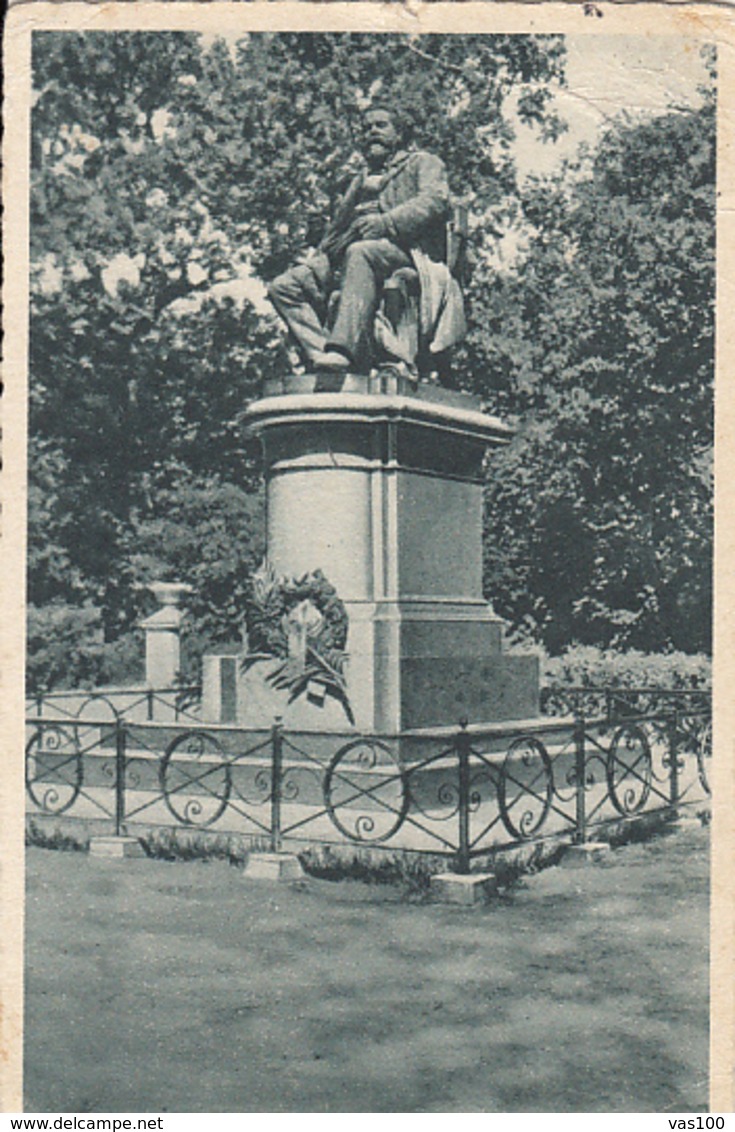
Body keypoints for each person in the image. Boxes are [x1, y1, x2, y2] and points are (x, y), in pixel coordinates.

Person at [267, 104, 465, 375]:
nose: (372, 132)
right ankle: (322, 355)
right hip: (351, 254)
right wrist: (319, 261)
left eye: (381, 125)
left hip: (409, 253)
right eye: (367, 128)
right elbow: (336, 231)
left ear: (399, 134)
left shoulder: (422, 162)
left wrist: (386, 223)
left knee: (361, 252)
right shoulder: (358, 180)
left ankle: (342, 351)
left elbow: (434, 202)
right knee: (284, 286)